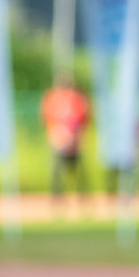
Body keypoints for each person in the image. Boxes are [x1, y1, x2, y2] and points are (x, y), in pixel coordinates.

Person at [40, 76, 90, 211]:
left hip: (74, 140)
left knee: (78, 172)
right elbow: (47, 117)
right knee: (57, 172)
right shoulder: (52, 98)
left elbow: (83, 118)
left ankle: (83, 199)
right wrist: (55, 134)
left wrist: (77, 136)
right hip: (58, 139)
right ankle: (57, 200)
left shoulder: (77, 99)